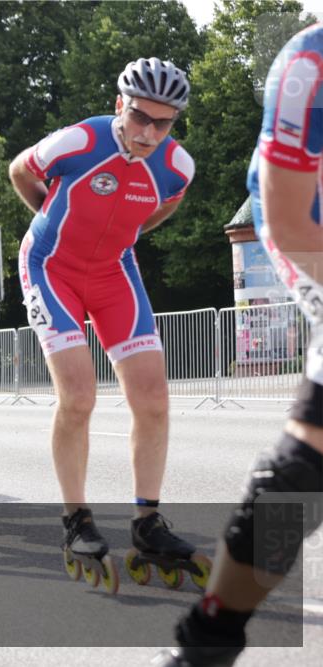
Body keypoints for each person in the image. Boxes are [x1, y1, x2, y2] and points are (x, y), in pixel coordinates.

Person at [155, 24, 323, 666]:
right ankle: (210, 640)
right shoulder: (309, 64)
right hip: (306, 227)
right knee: (305, 470)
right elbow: (288, 219)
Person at [8, 57, 198, 590]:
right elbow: (20, 171)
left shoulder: (177, 167)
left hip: (115, 272)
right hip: (51, 267)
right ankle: (76, 520)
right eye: (140, 117)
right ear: (121, 105)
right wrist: (48, 216)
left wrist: (123, 234)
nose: (148, 132)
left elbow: (160, 207)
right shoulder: (79, 142)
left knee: (154, 399)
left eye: (163, 123)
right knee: (79, 396)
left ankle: (147, 522)